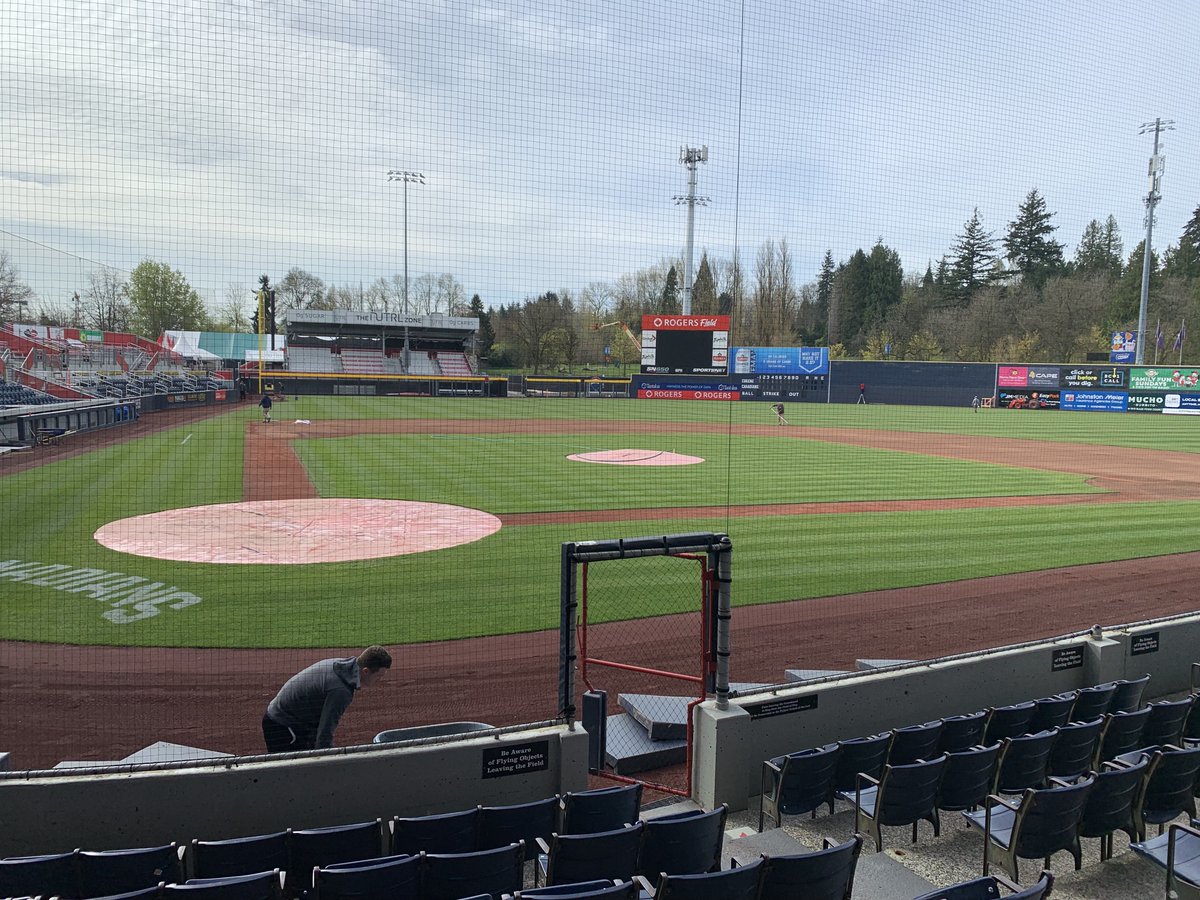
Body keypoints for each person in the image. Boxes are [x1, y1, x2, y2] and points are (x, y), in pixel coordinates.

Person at [262, 645, 392, 752]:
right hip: (283, 727)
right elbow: (325, 730)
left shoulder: (340, 665)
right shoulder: (341, 691)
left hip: (290, 721)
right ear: (365, 671)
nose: (379, 681)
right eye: (378, 676)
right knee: (292, 774)